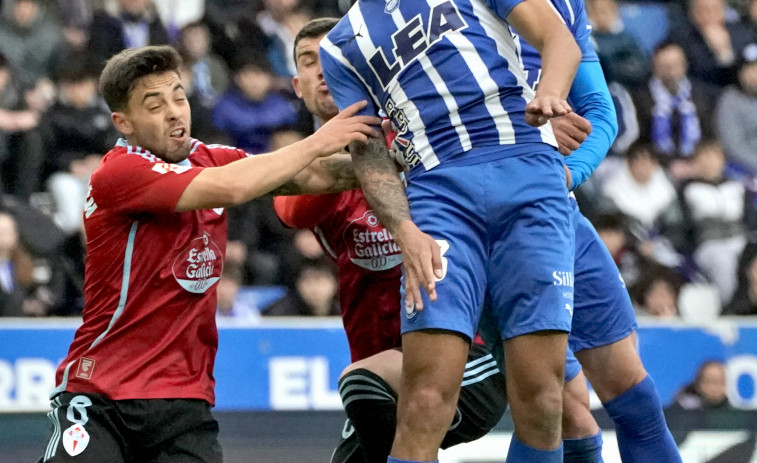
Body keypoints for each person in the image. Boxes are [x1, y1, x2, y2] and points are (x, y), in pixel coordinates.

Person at [37, 45, 380, 463]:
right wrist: (319, 140)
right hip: (102, 395)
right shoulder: (119, 173)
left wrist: (396, 162)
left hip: (185, 402)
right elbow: (234, 187)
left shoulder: (210, 158)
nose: (175, 112)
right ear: (123, 122)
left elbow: (310, 174)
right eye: (155, 104)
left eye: (179, 97)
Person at [321, 1, 582, 461]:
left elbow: (559, 38)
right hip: (440, 200)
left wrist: (551, 92)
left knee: (543, 398)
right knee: (424, 401)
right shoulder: (339, 46)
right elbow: (368, 152)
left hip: (529, 177)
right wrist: (403, 229)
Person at [274, 20, 507, 463]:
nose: (323, 68)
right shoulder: (313, 167)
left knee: (360, 385)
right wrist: (331, 146)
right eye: (310, 61)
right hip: (384, 370)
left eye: (332, 57)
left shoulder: (419, 134)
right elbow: (291, 209)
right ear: (298, 86)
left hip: (465, 351)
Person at [512, 1, 683, 461]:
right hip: (486, 221)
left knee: (636, 397)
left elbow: (602, 114)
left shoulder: (564, 6)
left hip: (559, 211)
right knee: (554, 407)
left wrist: (568, 174)